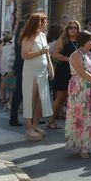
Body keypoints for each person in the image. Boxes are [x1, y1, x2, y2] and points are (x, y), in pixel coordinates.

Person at [65, 30, 91, 158]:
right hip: (81, 88)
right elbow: (81, 72)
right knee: (83, 117)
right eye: (90, 39)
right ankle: (83, 148)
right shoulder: (76, 55)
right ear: (83, 41)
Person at [20, 13, 55, 142]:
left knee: (41, 98)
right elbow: (24, 55)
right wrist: (41, 52)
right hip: (31, 72)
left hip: (42, 71)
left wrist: (50, 67)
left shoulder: (42, 36)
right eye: (44, 21)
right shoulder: (28, 37)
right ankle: (29, 128)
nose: (46, 24)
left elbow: (47, 53)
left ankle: (35, 125)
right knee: (31, 99)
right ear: (37, 23)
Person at [48, 20, 81, 130]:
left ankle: (75, 123)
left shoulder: (80, 40)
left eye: (75, 28)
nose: (73, 29)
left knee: (76, 98)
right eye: (70, 27)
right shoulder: (63, 39)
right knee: (61, 97)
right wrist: (70, 59)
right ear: (66, 29)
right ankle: (50, 120)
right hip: (64, 71)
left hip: (77, 72)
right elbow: (54, 55)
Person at [9, 21, 26, 127]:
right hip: (21, 66)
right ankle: (13, 118)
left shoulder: (19, 34)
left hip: (19, 66)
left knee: (18, 93)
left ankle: (14, 117)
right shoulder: (21, 35)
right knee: (18, 92)